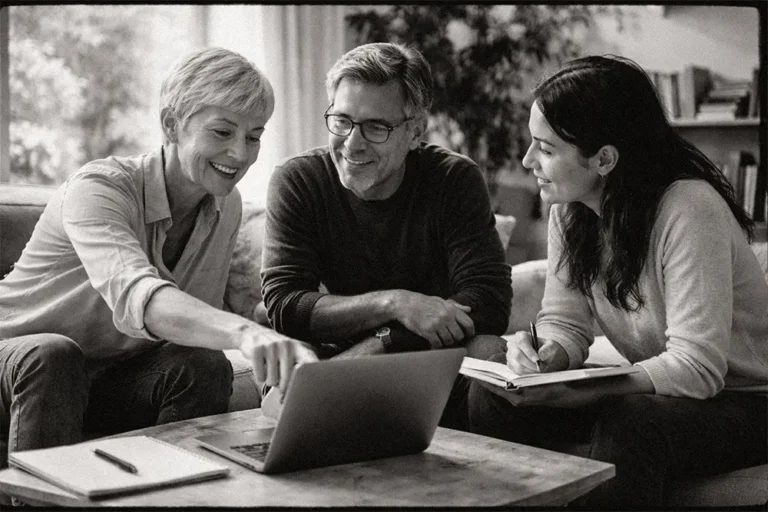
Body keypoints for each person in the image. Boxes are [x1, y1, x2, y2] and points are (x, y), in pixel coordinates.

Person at [467, 54, 768, 508]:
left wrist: (584, 390)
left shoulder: (689, 209)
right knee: (490, 397)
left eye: (546, 149)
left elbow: (699, 367)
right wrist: (547, 356)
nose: (528, 160)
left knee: (631, 422)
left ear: (604, 159)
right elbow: (565, 323)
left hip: (747, 400)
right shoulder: (569, 212)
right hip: (666, 396)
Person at [0, 47, 316, 469]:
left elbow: (184, 331)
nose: (240, 155)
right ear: (171, 124)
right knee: (56, 355)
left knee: (203, 365)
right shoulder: (99, 189)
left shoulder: (225, 205)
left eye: (253, 136)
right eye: (222, 132)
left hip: (102, 378)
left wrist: (277, 355)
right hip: (19, 365)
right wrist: (245, 333)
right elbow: (141, 297)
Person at [260, 42, 512, 428]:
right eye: (342, 121)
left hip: (426, 355)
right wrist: (395, 303)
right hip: (334, 351)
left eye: (377, 127)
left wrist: (386, 342)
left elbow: (489, 299)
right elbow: (283, 303)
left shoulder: (453, 179)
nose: (352, 143)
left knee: (490, 350)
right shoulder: (298, 180)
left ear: (414, 132)